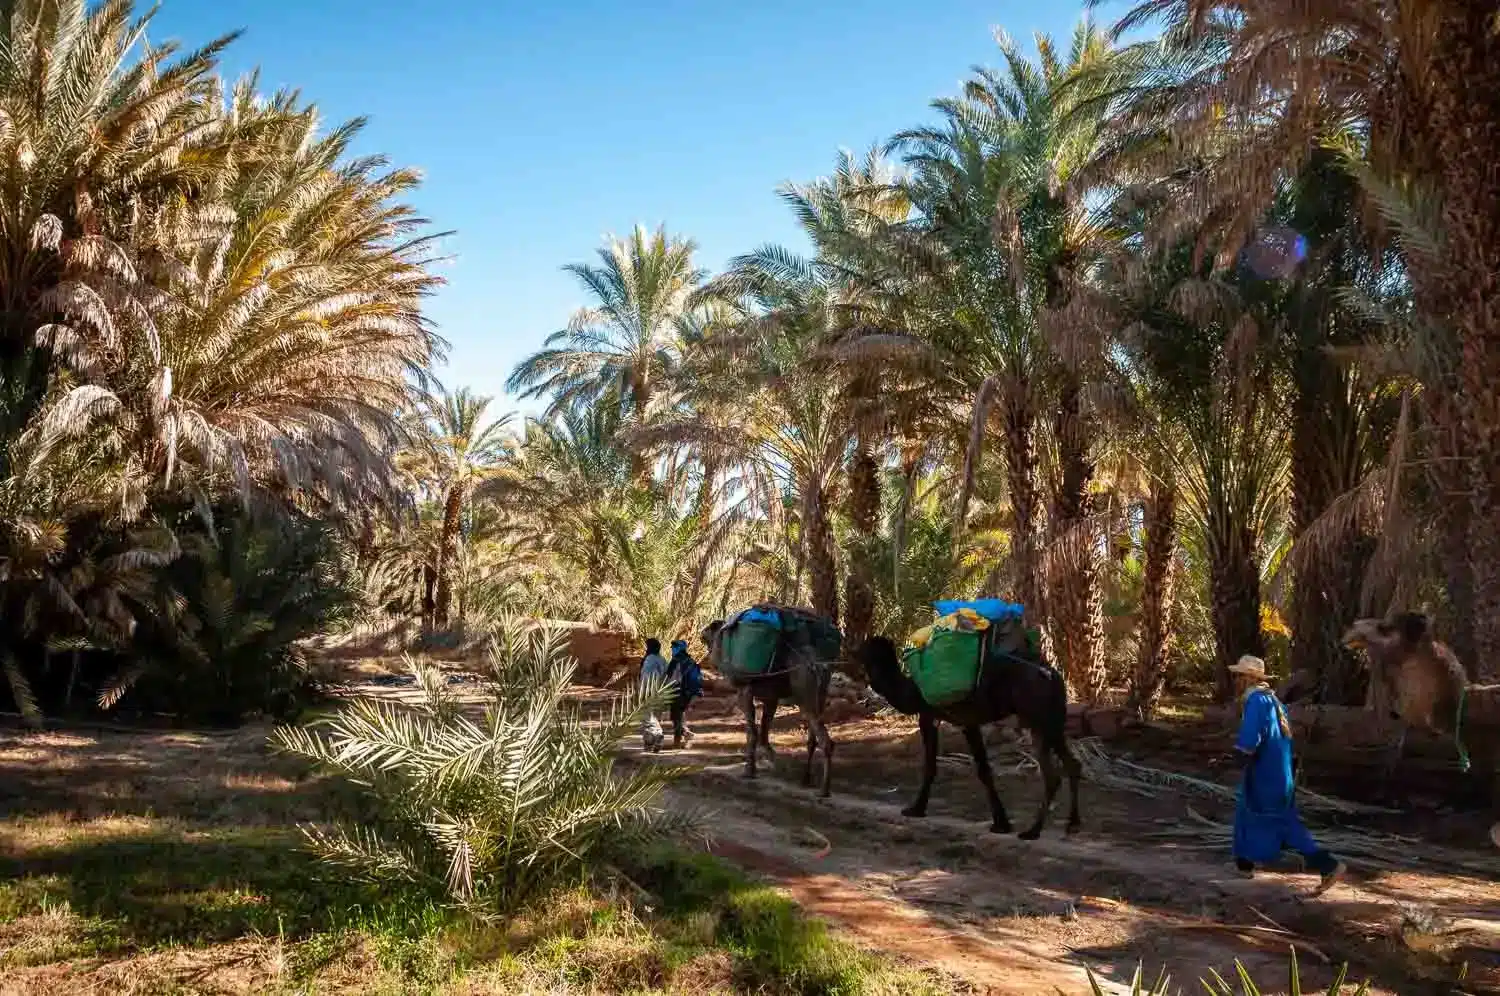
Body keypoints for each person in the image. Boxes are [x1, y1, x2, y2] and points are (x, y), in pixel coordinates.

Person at [1230, 654, 1346, 895]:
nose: (1236, 680)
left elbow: (1251, 737)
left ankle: (1328, 865)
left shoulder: (1256, 702)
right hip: (1278, 772)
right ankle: (1244, 863)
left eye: (1239, 676)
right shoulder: (1274, 702)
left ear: (1249, 678)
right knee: (1247, 813)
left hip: (1266, 774)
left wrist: (1239, 755)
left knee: (1282, 823)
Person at [667, 639, 703, 748]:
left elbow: (671, 678)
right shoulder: (691, 661)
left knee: (676, 716)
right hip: (688, 693)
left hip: (677, 692)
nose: (672, 650)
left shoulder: (676, 661)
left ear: (679, 649)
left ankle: (679, 740)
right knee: (678, 715)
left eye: (674, 647)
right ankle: (684, 736)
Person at [639, 638, 668, 753]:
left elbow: (643, 676)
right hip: (660, 690)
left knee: (647, 717)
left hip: (648, 690)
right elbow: (666, 674)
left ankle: (657, 735)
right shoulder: (662, 659)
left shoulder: (648, 659)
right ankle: (650, 743)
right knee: (654, 716)